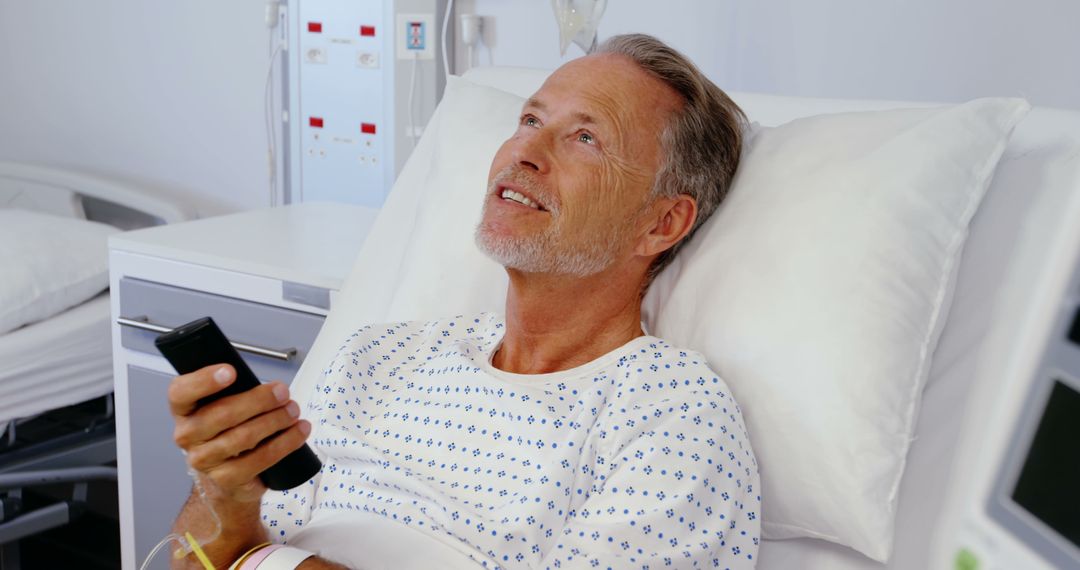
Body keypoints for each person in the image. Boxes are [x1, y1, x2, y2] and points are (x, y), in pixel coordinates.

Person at [166, 34, 758, 569]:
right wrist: (225, 492)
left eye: (585, 137)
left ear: (661, 224)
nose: (525, 152)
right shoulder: (382, 355)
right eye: (529, 118)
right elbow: (200, 561)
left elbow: (242, 563)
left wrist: (256, 564)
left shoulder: (672, 411)